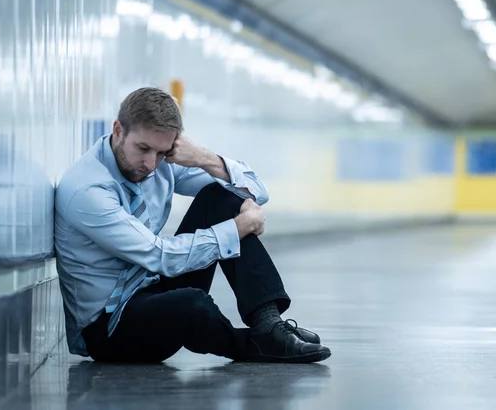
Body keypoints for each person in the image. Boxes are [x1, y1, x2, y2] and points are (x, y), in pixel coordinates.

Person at [55, 87, 331, 364]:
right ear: (118, 130)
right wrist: (237, 227)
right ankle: (252, 344)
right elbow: (158, 255)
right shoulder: (87, 190)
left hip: (149, 288)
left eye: (162, 152)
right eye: (143, 149)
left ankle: (268, 323)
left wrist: (204, 158)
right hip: (109, 327)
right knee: (192, 304)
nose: (151, 164)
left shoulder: (159, 164)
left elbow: (257, 192)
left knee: (221, 196)